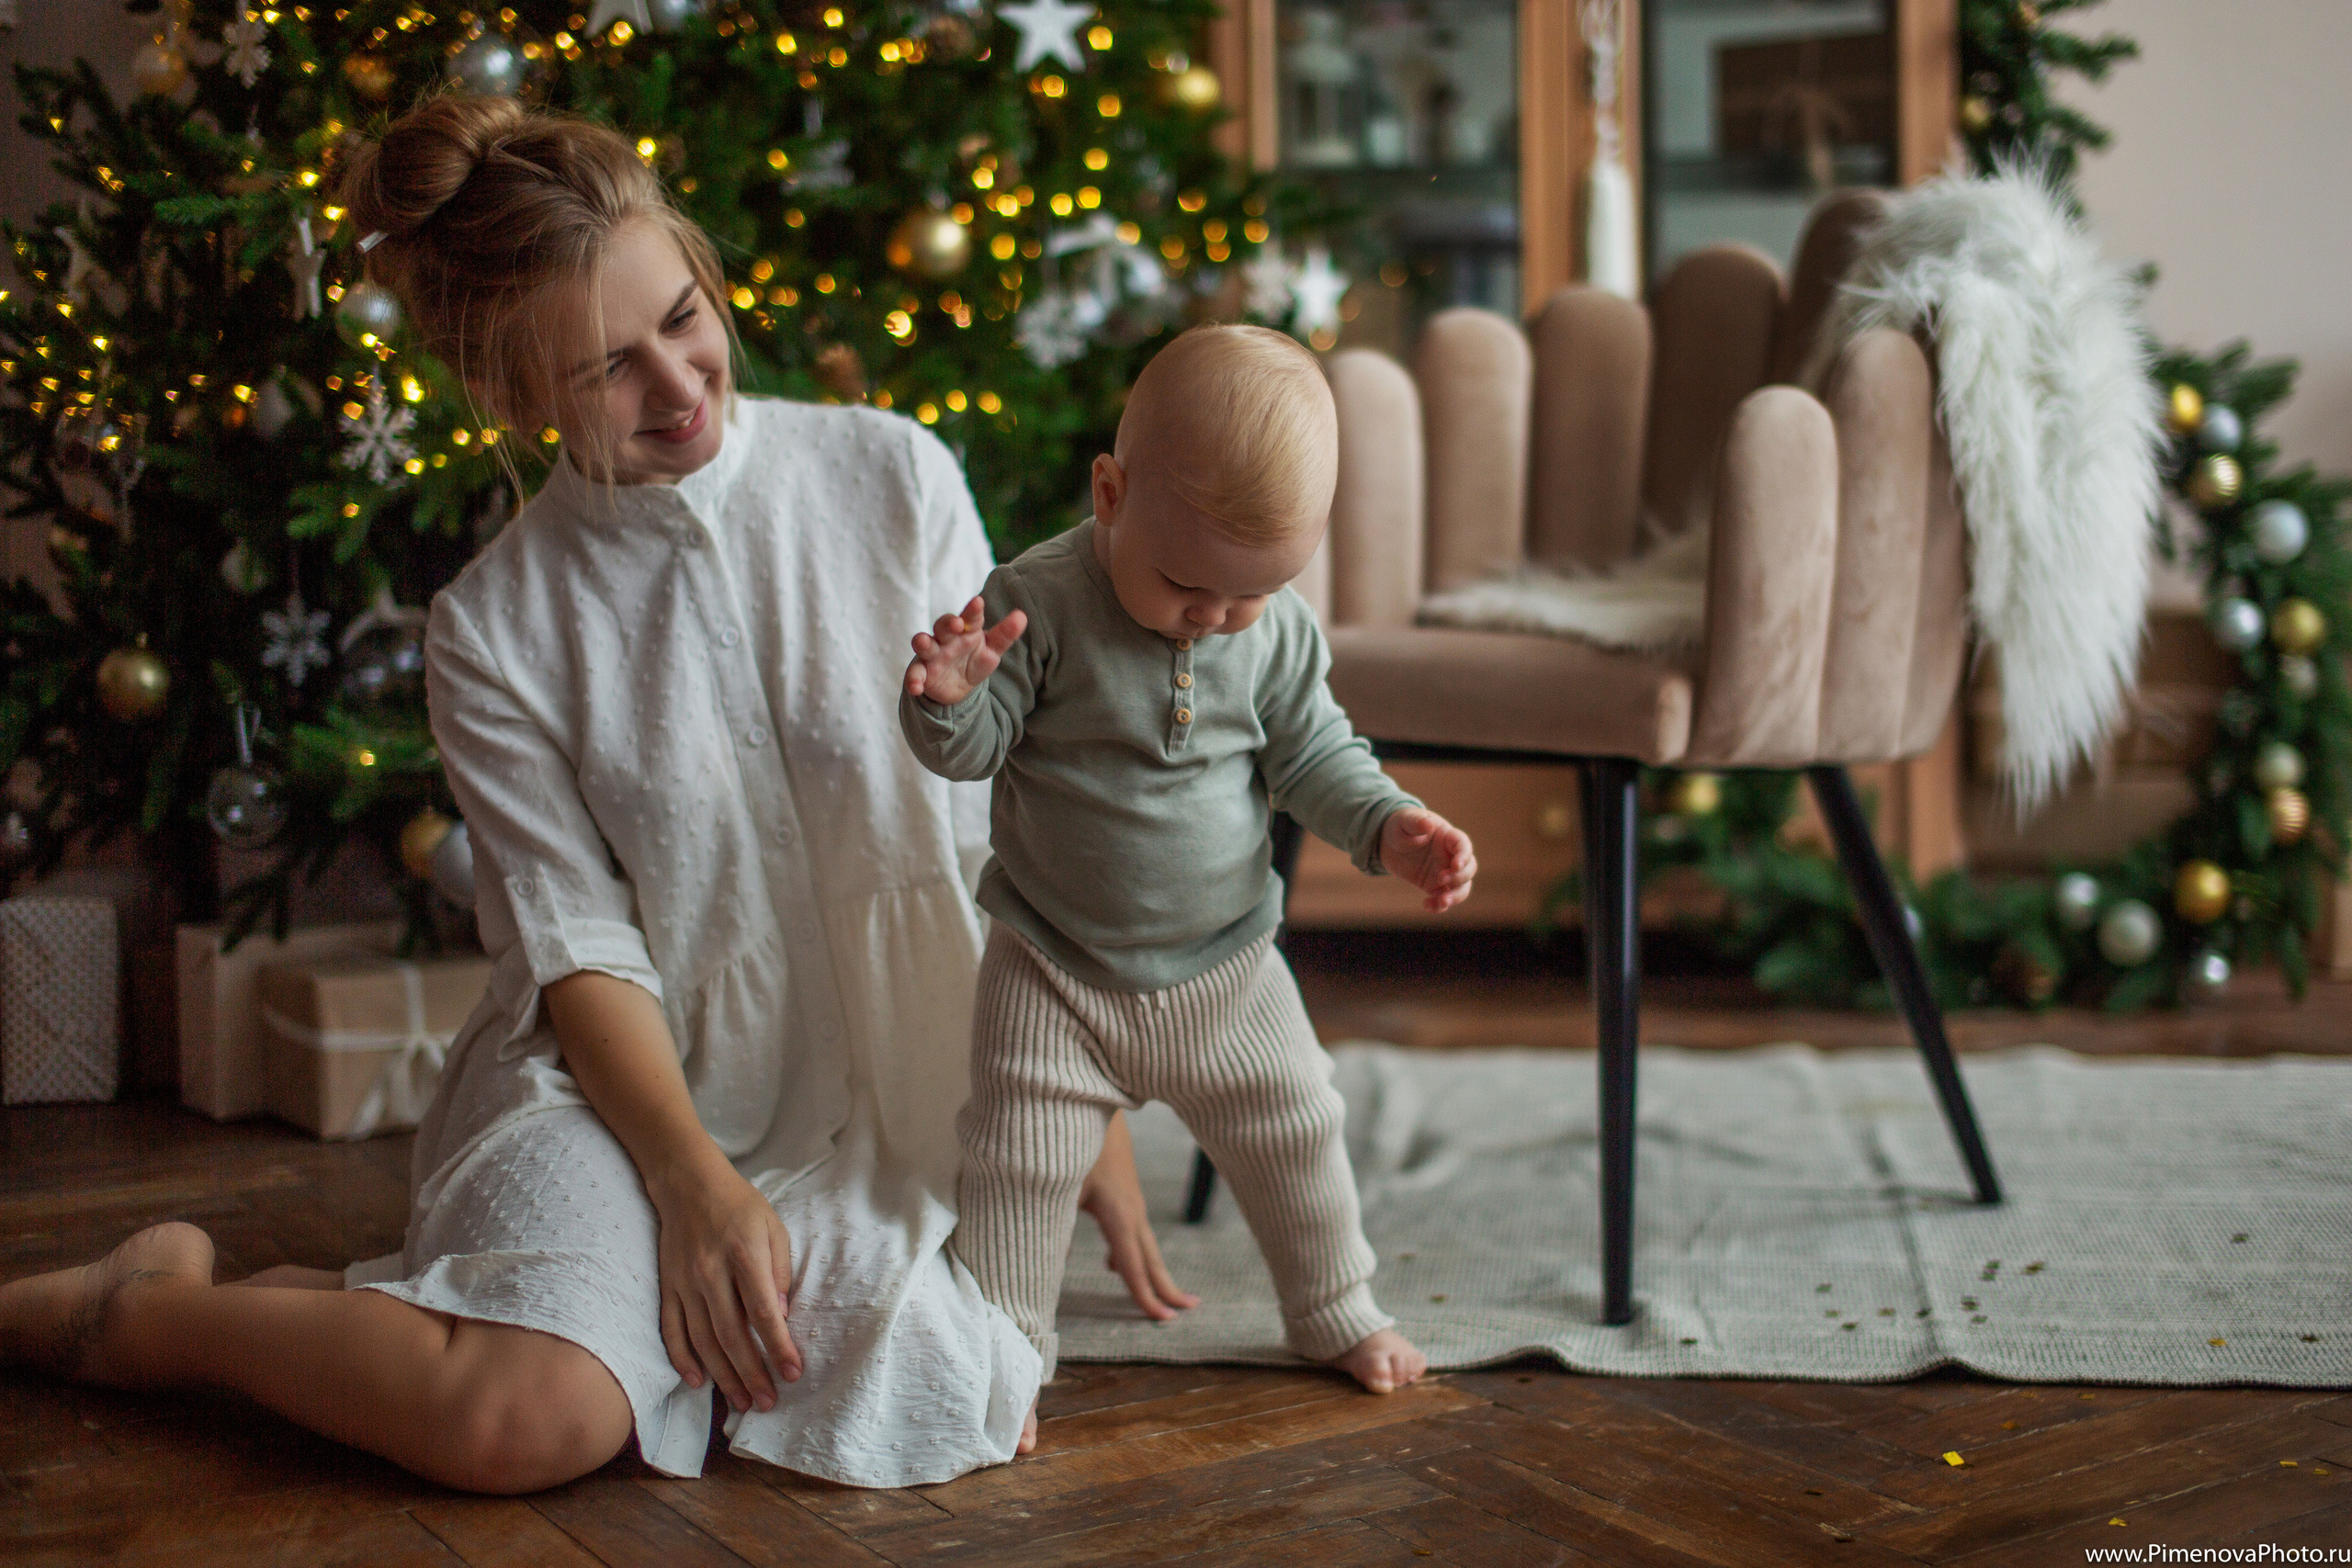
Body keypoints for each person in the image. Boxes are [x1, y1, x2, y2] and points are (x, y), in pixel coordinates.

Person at [0, 94, 1191, 1493]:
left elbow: (1002, 813)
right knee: (526, 1419)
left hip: (897, 1064)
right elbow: (577, 941)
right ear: (512, 401)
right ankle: (149, 1319)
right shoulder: (494, 628)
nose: (681, 386)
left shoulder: (890, 474)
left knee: (932, 1372)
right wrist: (690, 1181)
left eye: (684, 317)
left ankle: (380, 1298)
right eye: (607, 370)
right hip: (613, 1082)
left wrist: (1076, 1104)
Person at [899, 325, 1478, 1444]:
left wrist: (1390, 828)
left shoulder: (1273, 632)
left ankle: (1333, 1310)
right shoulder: (1038, 601)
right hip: (1054, 968)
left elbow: (1313, 756)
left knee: (1298, 1124)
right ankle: (1004, 1356)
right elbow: (972, 759)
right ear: (1109, 494)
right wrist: (948, 701)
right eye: (1187, 586)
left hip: (1226, 966)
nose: (1215, 615)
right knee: (1014, 1168)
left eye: (1253, 593)